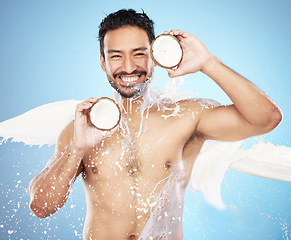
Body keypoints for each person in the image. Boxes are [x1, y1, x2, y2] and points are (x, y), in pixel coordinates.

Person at [28, 9, 282, 240]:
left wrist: (208, 63)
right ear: (103, 62)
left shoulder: (186, 116)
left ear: (155, 58)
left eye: (139, 54)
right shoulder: (81, 128)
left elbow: (267, 119)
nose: (128, 67)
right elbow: (41, 207)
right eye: (116, 56)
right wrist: (77, 149)